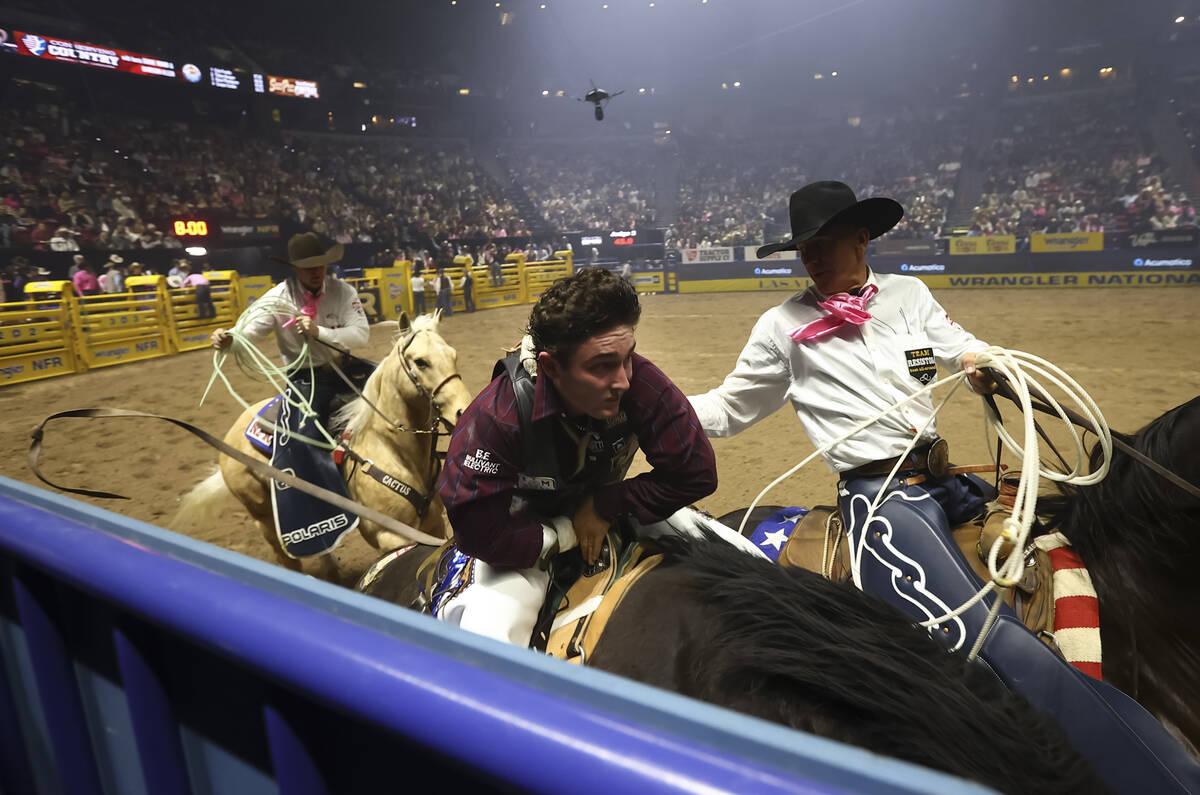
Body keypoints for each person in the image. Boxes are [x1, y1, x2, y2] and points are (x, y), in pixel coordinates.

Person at [688, 180, 1199, 792]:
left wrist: (984, 362)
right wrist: (646, 405)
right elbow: (728, 408)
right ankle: (1151, 777)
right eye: (805, 249)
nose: (814, 259)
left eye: (824, 244)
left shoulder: (908, 295)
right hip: (882, 499)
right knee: (981, 639)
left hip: (944, 478)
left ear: (861, 237)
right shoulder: (781, 326)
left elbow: (956, 349)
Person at [434, 267, 763, 647]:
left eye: (628, 358)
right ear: (551, 366)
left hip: (613, 509)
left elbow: (696, 473)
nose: (624, 380)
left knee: (752, 567)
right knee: (492, 643)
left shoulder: (640, 381)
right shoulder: (496, 417)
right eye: (602, 366)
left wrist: (605, 504)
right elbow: (479, 532)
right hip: (523, 534)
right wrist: (566, 531)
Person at [211, 232, 370, 558]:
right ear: (296, 268)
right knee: (304, 441)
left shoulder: (343, 292)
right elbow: (247, 332)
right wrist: (229, 340)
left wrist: (319, 331)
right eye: (309, 266)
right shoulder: (277, 299)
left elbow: (361, 334)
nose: (317, 271)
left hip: (347, 370)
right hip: (305, 380)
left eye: (321, 264)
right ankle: (320, 508)